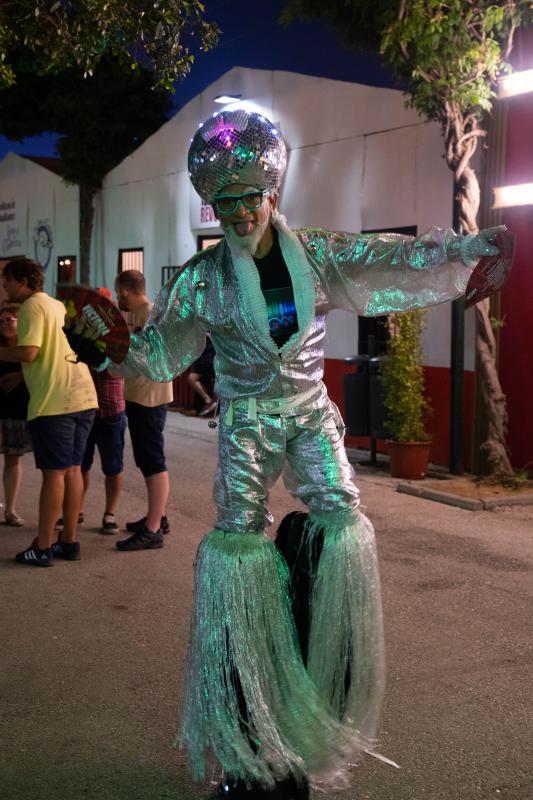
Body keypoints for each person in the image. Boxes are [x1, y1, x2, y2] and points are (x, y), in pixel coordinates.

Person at [70, 110, 503, 798]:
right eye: (225, 202)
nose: (239, 213)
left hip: (307, 413)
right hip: (244, 421)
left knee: (339, 515)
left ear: (272, 194)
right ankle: (245, 720)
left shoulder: (319, 253)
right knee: (237, 538)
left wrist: (468, 248)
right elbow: (162, 351)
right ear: (212, 204)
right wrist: (114, 346)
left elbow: (392, 256)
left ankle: (323, 681)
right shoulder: (202, 277)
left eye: (250, 198)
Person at [1, 257, 97, 566]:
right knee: (72, 470)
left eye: (7, 279)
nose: (4, 286)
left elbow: (30, 351)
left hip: (55, 402)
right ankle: (68, 542)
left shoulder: (30, 307)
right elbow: (54, 349)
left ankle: (42, 546)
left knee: (54, 474)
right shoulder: (57, 304)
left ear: (23, 281)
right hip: (83, 396)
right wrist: (21, 375)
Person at [114, 269, 173, 550]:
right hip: (140, 395)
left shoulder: (150, 315)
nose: (117, 299)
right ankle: (156, 516)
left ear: (126, 291)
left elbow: (146, 357)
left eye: (118, 293)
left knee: (153, 462)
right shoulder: (137, 316)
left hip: (149, 398)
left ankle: (152, 531)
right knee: (146, 460)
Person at [78, 287, 127, 535]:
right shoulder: (78, 334)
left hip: (110, 409)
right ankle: (76, 510)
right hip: (82, 407)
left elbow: (117, 372)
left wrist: (101, 351)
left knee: (113, 466)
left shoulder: (119, 337)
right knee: (79, 465)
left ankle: (110, 513)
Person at [0, 303, 32, 526]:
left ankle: (10, 510)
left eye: (9, 320)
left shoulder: (28, 348)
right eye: (0, 321)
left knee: (12, 459)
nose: (4, 324)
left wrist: (20, 376)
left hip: (17, 410)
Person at [187, 334, 217, 416]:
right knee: (192, 379)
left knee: (192, 378)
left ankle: (211, 402)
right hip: (203, 356)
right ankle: (209, 402)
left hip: (211, 357)